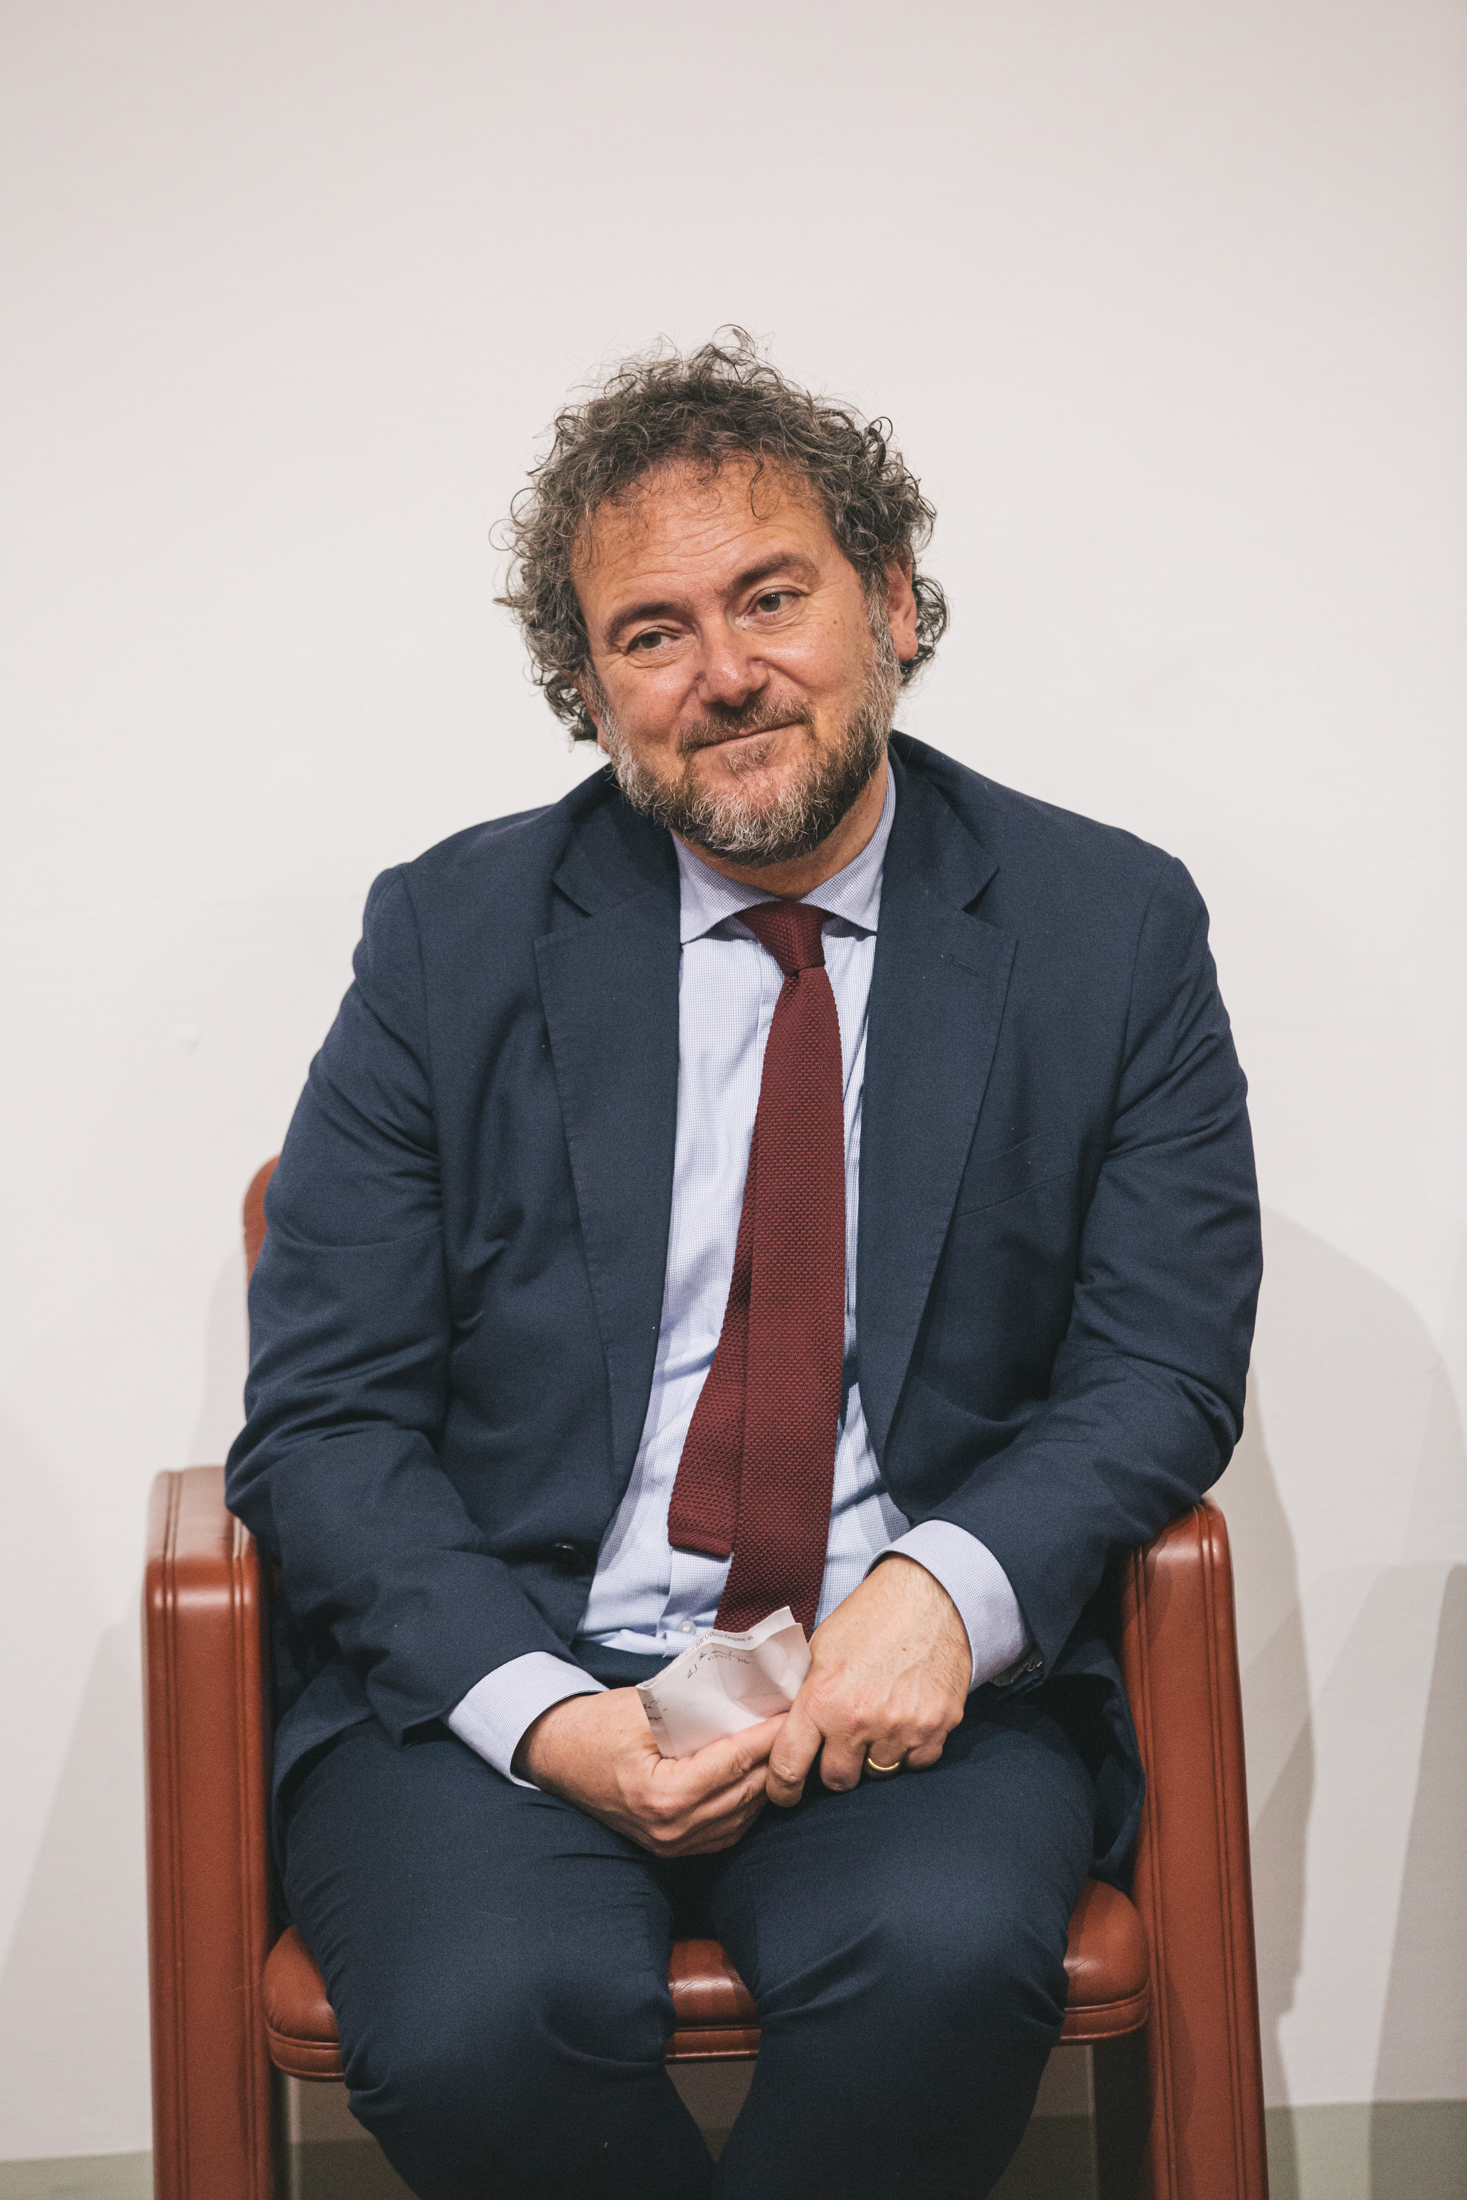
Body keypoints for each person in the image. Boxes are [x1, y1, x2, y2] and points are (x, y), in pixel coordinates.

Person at [227, 332, 1262, 2200]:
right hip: (518, 1663)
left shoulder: (1106, 928)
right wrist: (551, 1716)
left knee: (942, 1965)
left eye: (772, 597)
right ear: (591, 691)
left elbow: (1163, 1360)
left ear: (894, 603)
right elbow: (322, 1425)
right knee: (483, 2015)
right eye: (651, 633)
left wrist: (946, 1591)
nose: (723, 673)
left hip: (905, 1680)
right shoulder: (452, 939)